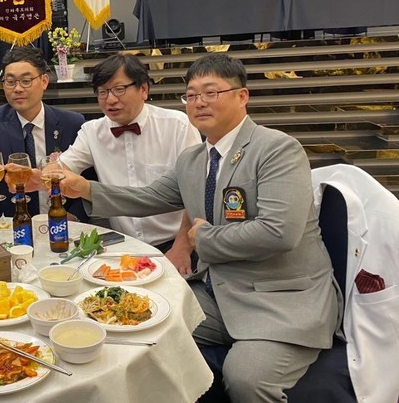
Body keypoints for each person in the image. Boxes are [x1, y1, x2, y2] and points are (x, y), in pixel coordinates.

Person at [60, 53, 339, 401]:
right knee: (134, 328)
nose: (199, 102)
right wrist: (85, 189)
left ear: (242, 96)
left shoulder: (277, 149)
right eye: (191, 95)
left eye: (211, 92)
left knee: (246, 379)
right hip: (219, 291)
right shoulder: (193, 159)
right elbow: (149, 197)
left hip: (280, 299)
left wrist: (202, 238)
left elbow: (279, 232)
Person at [57, 53, 201, 269]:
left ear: (144, 89)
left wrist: (182, 248)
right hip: (122, 246)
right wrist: (40, 175)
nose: (110, 100)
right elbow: (62, 168)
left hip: (174, 244)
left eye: (119, 89)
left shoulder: (178, 126)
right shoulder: (91, 131)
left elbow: (196, 194)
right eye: (103, 92)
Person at [0, 46, 87, 218]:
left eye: (26, 80)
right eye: (10, 82)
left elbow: (88, 178)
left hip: (62, 219)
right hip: (11, 221)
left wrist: (74, 216)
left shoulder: (71, 123)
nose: (18, 89)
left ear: (44, 81)